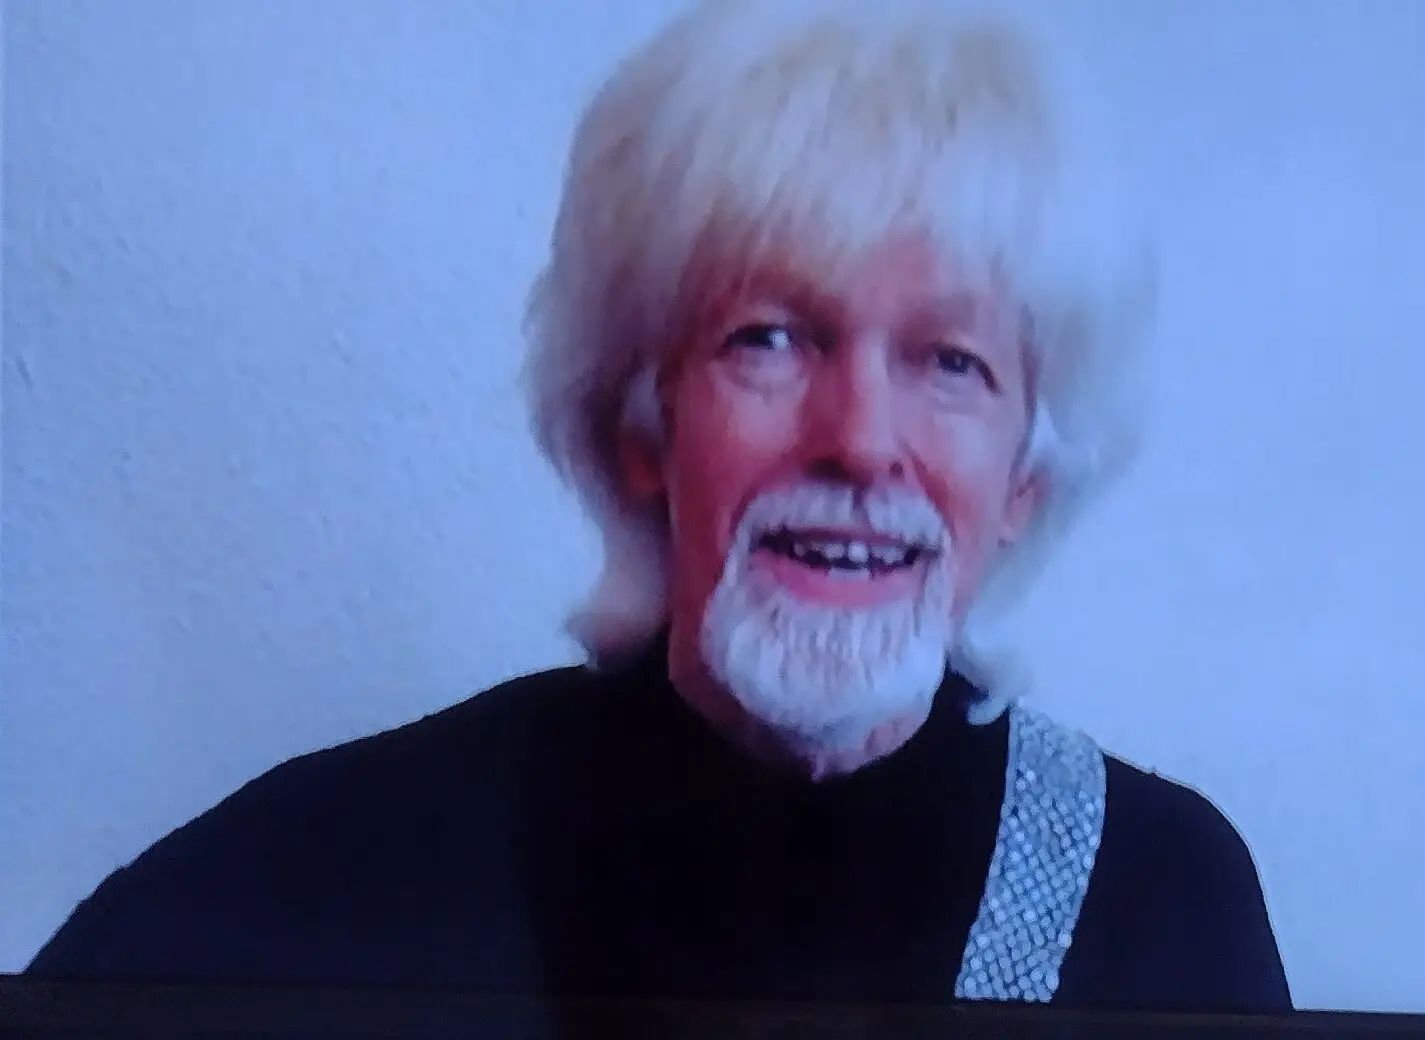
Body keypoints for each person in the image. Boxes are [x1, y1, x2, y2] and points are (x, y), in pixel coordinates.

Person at [28, 0, 1292, 1013]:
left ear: (1022, 478)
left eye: (949, 360)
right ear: (639, 423)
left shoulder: (1160, 900)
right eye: (770, 337)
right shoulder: (326, 876)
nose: (859, 437)